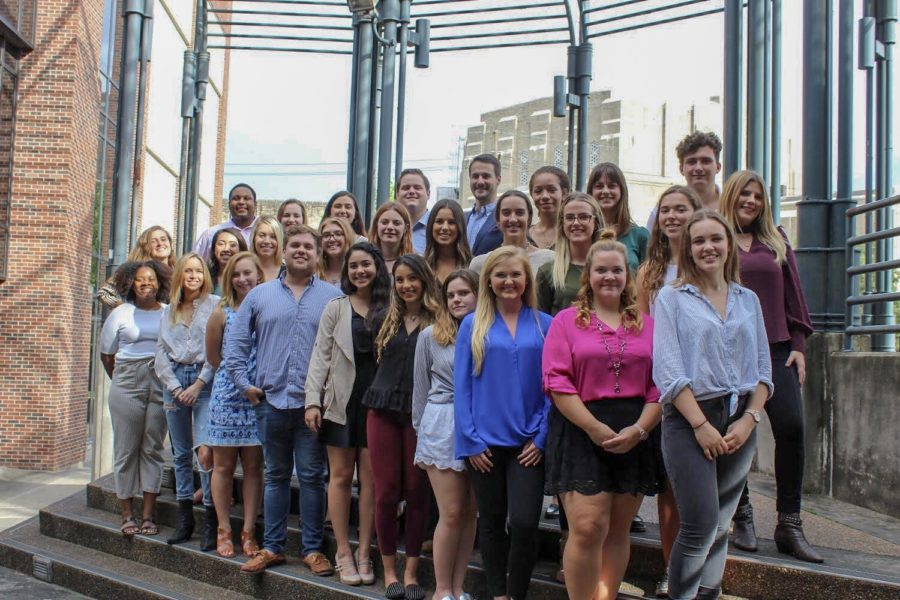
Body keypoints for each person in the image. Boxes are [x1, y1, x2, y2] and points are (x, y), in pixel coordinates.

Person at [652, 209, 772, 600]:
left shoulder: (748, 299)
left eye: (715, 239)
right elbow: (668, 372)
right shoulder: (672, 297)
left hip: (739, 417)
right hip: (689, 418)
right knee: (700, 524)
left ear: (728, 245)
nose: (708, 247)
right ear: (688, 249)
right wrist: (702, 426)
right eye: (699, 240)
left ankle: (708, 594)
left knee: (721, 526)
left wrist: (749, 420)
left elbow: (763, 371)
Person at [543, 230, 663, 600]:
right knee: (587, 526)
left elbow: (661, 384)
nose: (609, 277)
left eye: (617, 270)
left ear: (627, 275)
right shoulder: (566, 321)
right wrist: (594, 428)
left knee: (617, 529)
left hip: (635, 430)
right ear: (588, 276)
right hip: (581, 428)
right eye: (601, 270)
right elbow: (556, 380)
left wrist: (640, 430)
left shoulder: (645, 323)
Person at [228, 224, 343, 576]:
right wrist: (244, 384)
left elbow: (340, 352)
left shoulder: (332, 297)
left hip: (312, 408)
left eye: (308, 246)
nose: (301, 251)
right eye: (295, 245)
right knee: (276, 476)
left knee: (311, 476)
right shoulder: (260, 296)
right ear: (283, 250)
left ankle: (312, 550)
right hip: (270, 401)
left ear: (317, 253)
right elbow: (235, 345)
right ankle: (273, 547)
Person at [720, 170, 821, 563]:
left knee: (792, 427)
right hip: (729, 351)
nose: (750, 201)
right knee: (731, 430)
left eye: (757, 196)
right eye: (744, 193)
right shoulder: (718, 238)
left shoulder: (776, 241)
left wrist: (799, 345)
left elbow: (795, 297)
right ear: (731, 195)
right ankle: (741, 514)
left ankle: (789, 523)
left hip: (776, 348)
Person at [454, 246, 553, 600]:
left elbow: (552, 388)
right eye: (501, 275)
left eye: (515, 274)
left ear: (526, 279)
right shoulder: (472, 324)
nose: (509, 281)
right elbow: (462, 386)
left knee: (525, 523)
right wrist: (470, 440)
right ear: (490, 282)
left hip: (528, 445)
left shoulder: (546, 325)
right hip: (484, 445)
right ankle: (498, 594)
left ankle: (517, 593)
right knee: (492, 524)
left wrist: (541, 438)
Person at [305, 242, 391, 586]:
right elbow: (319, 358)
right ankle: (342, 551)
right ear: (347, 271)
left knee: (371, 482)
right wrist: (312, 402)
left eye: (366, 264)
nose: (360, 271)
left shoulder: (391, 306)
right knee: (340, 477)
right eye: (353, 266)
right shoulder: (335, 308)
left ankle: (364, 551)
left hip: (379, 406)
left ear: (377, 267)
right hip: (341, 403)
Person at [635, 184, 702, 598]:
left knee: (703, 491)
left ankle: (701, 570)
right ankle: (670, 569)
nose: (672, 217)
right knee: (670, 488)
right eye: (666, 211)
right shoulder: (650, 273)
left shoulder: (711, 264)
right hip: (665, 388)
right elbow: (645, 333)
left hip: (705, 385)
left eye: (681, 209)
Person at [363, 254, 440, 600]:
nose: (406, 285)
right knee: (386, 491)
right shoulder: (382, 318)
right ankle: (389, 571)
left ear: (424, 280)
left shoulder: (440, 321)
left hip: (418, 414)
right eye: (400, 279)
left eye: (412, 279)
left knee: (417, 489)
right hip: (381, 410)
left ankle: (412, 572)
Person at [412, 269, 479, 600]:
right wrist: (421, 432)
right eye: (451, 295)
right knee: (451, 511)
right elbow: (420, 391)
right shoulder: (430, 337)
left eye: (464, 293)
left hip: (482, 427)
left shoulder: (488, 333)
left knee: (470, 513)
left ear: (479, 296)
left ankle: (459, 586)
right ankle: (441, 590)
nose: (457, 299)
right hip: (443, 424)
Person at [99, 260, 170, 537]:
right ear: (131, 283)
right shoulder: (121, 313)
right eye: (140, 279)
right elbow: (107, 355)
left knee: (152, 448)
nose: (145, 283)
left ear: (159, 283)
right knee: (126, 449)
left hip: (160, 378)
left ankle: (148, 515)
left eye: (150, 278)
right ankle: (127, 513)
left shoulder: (168, 312)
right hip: (127, 379)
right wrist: (120, 381)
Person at [154, 253, 220, 549]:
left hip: (205, 382)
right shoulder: (168, 311)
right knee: (180, 454)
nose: (193, 275)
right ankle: (184, 517)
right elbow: (159, 353)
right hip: (174, 381)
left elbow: (216, 350)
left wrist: (198, 384)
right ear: (180, 275)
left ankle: (210, 519)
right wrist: (174, 386)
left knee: (205, 453)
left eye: (198, 271)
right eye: (188, 271)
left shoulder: (215, 304)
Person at [205, 251, 265, 559]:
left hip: (258, 399)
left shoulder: (267, 307)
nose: (243, 279)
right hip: (227, 398)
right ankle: (224, 529)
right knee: (224, 466)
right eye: (237, 274)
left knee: (254, 467)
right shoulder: (221, 311)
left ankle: (249, 531)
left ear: (259, 275)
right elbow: (214, 358)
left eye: (248, 273)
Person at [537, 192, 602, 316]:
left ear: (596, 222)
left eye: (583, 217)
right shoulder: (547, 272)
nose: (576, 223)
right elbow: (541, 324)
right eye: (570, 217)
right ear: (562, 224)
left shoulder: (612, 270)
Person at [646, 132, 723, 230]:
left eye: (705, 161)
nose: (698, 167)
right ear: (681, 169)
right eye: (692, 162)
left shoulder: (733, 205)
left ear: (718, 167)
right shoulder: (663, 211)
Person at [468, 190, 554, 276]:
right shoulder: (481, 264)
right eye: (506, 213)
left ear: (529, 219)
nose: (513, 219)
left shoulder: (549, 260)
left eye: (519, 213)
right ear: (498, 220)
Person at [588, 162, 648, 273]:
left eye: (612, 186)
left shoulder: (640, 236)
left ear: (621, 190)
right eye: (599, 186)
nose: (605, 191)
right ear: (591, 192)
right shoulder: (585, 235)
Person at [98, 226, 175, 309]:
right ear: (146, 247)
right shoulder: (135, 271)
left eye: (163, 239)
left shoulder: (179, 272)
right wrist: (126, 310)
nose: (160, 244)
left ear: (170, 243)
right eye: (153, 241)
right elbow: (104, 293)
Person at [194, 183, 258, 261]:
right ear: (229, 204)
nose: (241, 202)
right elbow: (194, 263)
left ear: (255, 204)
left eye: (246, 198)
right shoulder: (211, 234)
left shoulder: (265, 234)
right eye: (236, 198)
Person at [423, 198, 472, 284]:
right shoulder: (421, 265)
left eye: (451, 222)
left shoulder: (472, 265)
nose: (445, 227)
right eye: (439, 222)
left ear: (460, 227)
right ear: (431, 226)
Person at [466, 154, 504, 256]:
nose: (480, 181)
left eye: (486, 176)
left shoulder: (504, 219)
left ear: (498, 180)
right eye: (475, 176)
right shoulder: (461, 219)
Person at [529, 166, 570, 250]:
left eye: (551, 190)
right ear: (532, 195)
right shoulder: (524, 236)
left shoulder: (574, 232)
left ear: (564, 193)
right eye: (538, 191)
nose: (545, 196)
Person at [369, 202, 414, 273]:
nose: (390, 227)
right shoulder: (365, 261)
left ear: (406, 228)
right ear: (376, 225)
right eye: (384, 222)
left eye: (396, 223)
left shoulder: (416, 263)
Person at [397, 168, 432, 254]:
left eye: (417, 187)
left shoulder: (437, 228)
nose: (412, 191)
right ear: (397, 194)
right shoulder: (387, 228)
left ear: (428, 194)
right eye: (406, 188)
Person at [208, 228, 248, 294]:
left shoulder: (248, 278)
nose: (226, 249)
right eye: (221, 244)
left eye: (233, 245)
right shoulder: (206, 276)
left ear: (241, 250)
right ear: (214, 248)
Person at [317, 217, 355, 286]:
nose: (332, 239)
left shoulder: (356, 271)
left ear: (347, 237)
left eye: (338, 234)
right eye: (326, 235)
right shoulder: (313, 272)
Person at [251, 216, 283, 282]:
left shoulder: (287, 273)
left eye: (273, 237)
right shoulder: (243, 270)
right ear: (254, 239)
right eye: (262, 235)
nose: (267, 241)